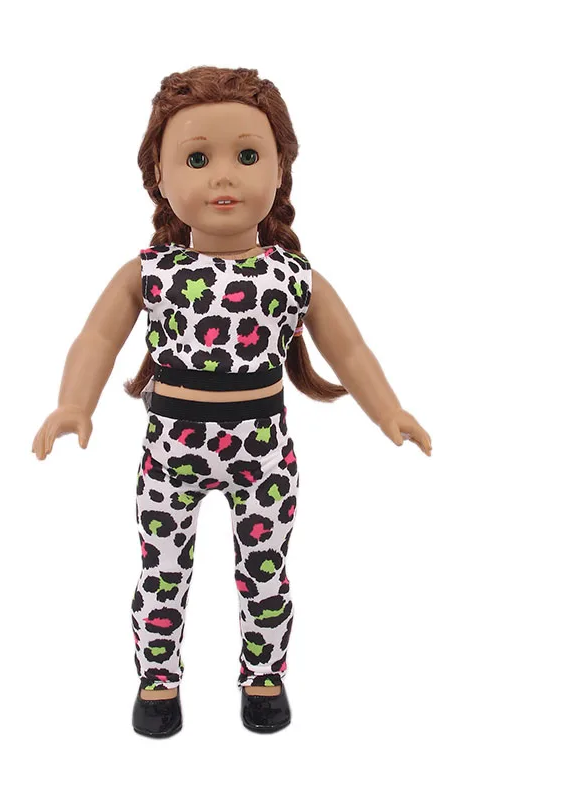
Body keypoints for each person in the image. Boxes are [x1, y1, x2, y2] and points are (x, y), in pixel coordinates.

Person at [32, 66, 432, 737]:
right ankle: (157, 682)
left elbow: (351, 350)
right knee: (161, 570)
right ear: (160, 177)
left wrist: (389, 411)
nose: (224, 176)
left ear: (280, 170)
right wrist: (74, 404)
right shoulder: (151, 273)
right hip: (172, 451)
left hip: (263, 451)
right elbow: (97, 337)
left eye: (247, 156)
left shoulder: (292, 276)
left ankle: (264, 678)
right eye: (197, 159)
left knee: (265, 571)